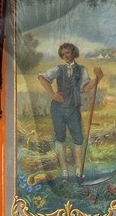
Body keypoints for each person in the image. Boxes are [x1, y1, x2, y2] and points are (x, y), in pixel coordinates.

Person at [38, 43, 102, 183]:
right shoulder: (59, 69)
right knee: (60, 138)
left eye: (68, 52)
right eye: (63, 54)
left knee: (78, 139)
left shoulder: (81, 69)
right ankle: (65, 173)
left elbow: (85, 88)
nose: (65, 56)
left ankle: (79, 171)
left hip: (73, 109)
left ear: (74, 53)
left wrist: (98, 78)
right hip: (58, 110)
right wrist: (53, 94)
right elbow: (42, 77)